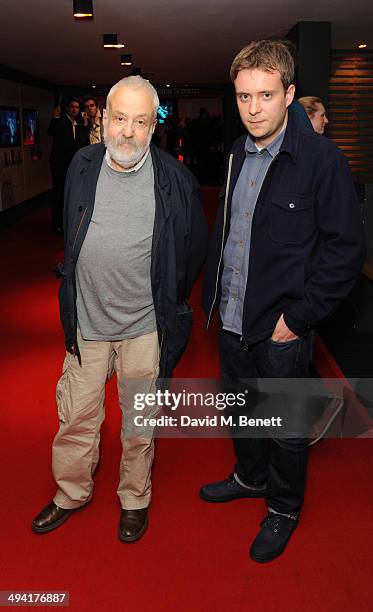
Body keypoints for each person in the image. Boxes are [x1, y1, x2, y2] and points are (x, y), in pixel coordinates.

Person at [201, 39, 365, 562]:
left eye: (265, 96)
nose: (252, 109)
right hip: (230, 318)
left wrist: (297, 318)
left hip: (280, 328)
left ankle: (283, 507)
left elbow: (345, 252)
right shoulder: (235, 152)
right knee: (242, 410)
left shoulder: (322, 160)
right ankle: (249, 477)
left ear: (289, 94)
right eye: (243, 96)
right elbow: (231, 234)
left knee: (286, 425)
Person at [32, 76, 207, 542]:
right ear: (105, 120)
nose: (128, 132)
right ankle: (70, 493)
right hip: (86, 323)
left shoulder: (175, 179)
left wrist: (168, 299)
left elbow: (192, 252)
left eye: (141, 122)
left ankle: (134, 497)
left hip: (144, 327)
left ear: (154, 128)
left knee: (139, 423)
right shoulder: (81, 166)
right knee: (77, 418)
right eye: (121, 118)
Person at [48, 98, 89, 233]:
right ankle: (58, 225)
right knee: (59, 194)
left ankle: (70, 223)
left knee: (73, 194)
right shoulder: (60, 121)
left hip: (73, 166)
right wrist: (55, 116)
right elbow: (51, 131)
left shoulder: (78, 124)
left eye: (77, 107)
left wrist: (85, 125)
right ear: (67, 108)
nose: (74, 109)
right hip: (60, 165)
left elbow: (82, 144)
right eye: (72, 107)